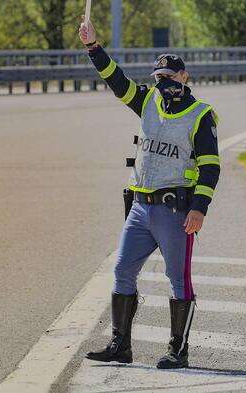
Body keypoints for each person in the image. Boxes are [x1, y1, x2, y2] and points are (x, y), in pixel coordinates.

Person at [79, 19, 220, 369]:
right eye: (159, 78)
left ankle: (178, 350)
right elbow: (116, 80)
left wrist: (199, 209)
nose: (164, 83)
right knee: (123, 270)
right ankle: (120, 346)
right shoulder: (146, 103)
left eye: (170, 77)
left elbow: (211, 167)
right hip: (140, 209)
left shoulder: (201, 116)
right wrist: (94, 47)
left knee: (177, 279)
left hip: (176, 212)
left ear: (184, 77)